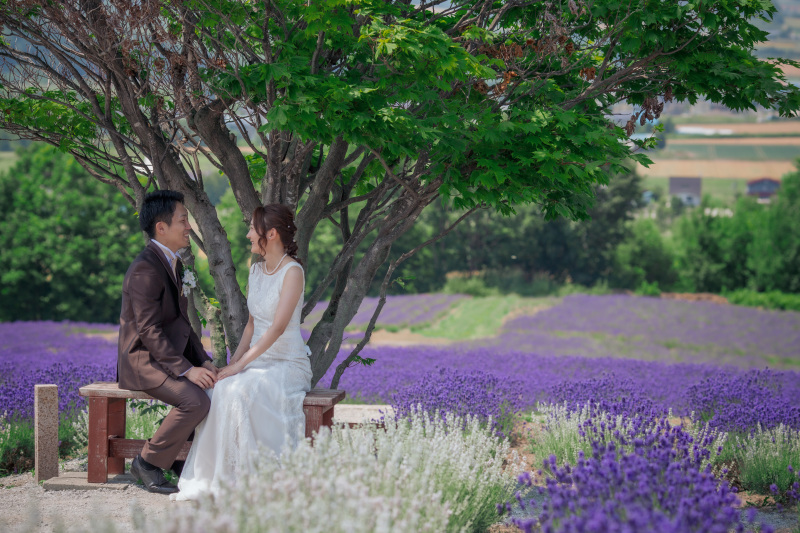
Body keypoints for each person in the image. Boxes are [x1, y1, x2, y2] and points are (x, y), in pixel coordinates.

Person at [171, 203, 312, 501]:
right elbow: (251, 325)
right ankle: (223, 477)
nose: (248, 234)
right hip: (255, 361)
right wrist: (230, 366)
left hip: (286, 363)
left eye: (253, 228)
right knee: (222, 389)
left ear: (270, 234)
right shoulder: (257, 270)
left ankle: (252, 480)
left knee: (240, 389)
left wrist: (238, 368)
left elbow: (275, 329)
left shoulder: (293, 272)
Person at [118, 190, 219, 495]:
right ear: (161, 228)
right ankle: (147, 463)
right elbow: (149, 331)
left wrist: (202, 361)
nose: (189, 226)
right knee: (195, 400)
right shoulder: (145, 268)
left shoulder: (172, 263)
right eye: (183, 219)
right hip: (141, 360)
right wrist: (187, 370)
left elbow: (181, 325)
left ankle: (177, 459)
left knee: (211, 390)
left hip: (164, 358)